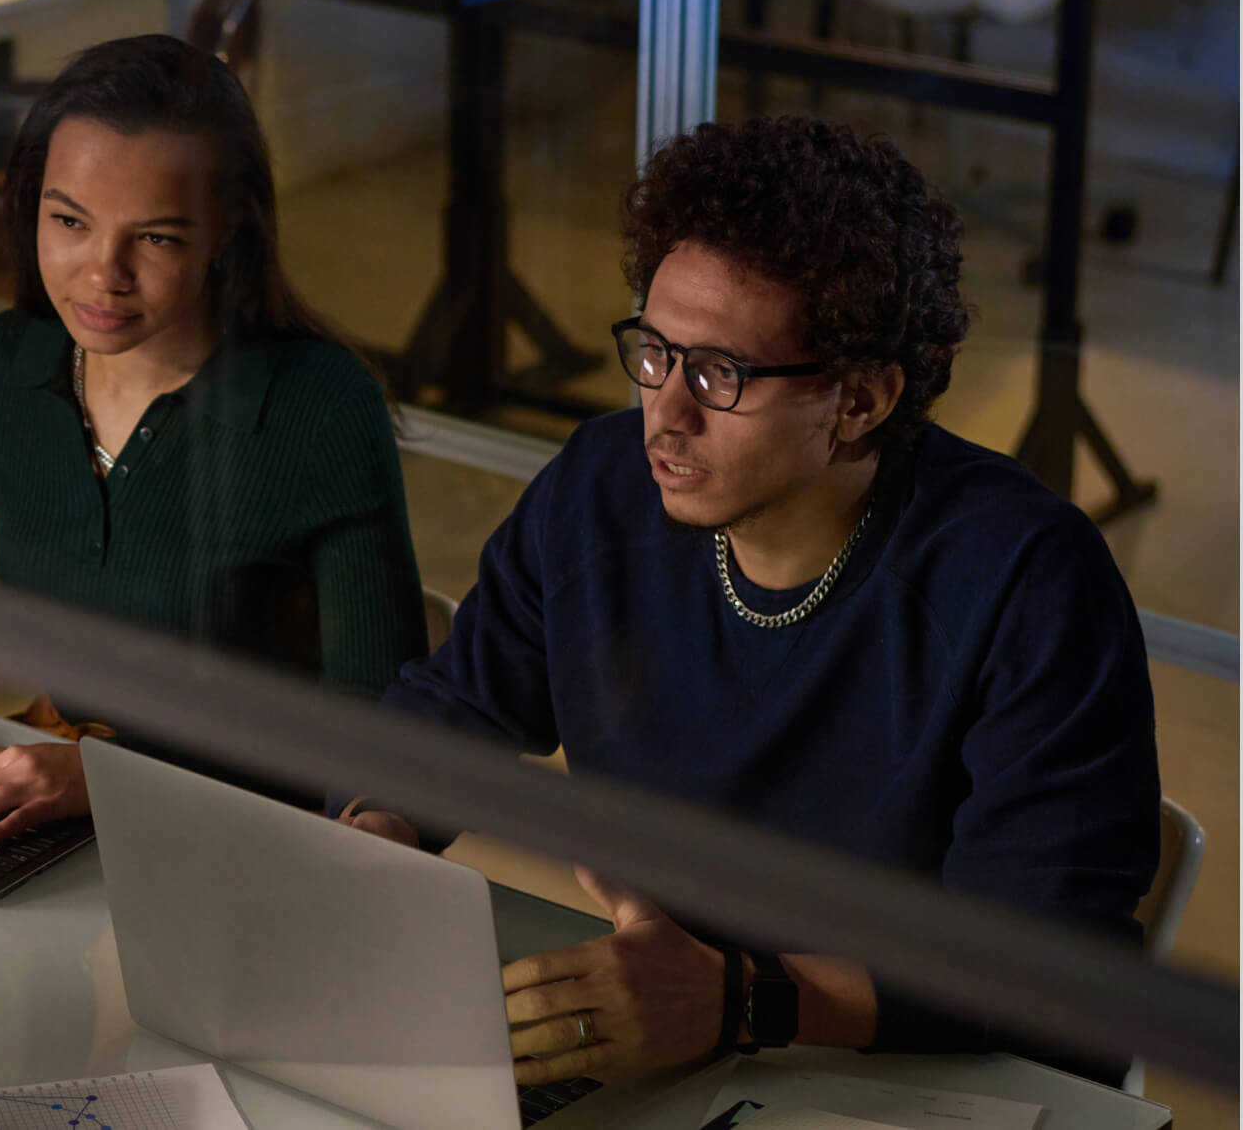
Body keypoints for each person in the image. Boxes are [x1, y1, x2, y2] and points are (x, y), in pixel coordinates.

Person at [348, 117, 1158, 1085]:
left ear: (860, 401)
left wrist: (740, 998)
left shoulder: (1026, 579)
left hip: (920, 1074)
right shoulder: (600, 487)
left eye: (719, 374)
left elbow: (1044, 970)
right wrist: (367, 837)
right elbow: (459, 706)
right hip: (675, 1043)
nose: (667, 411)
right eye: (653, 351)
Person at [0, 34, 425, 847]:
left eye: (156, 237)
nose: (101, 274)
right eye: (70, 221)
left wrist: (120, 779)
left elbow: (376, 723)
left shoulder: (319, 408)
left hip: (248, 838)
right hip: (64, 798)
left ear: (227, 233)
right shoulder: (8, 365)